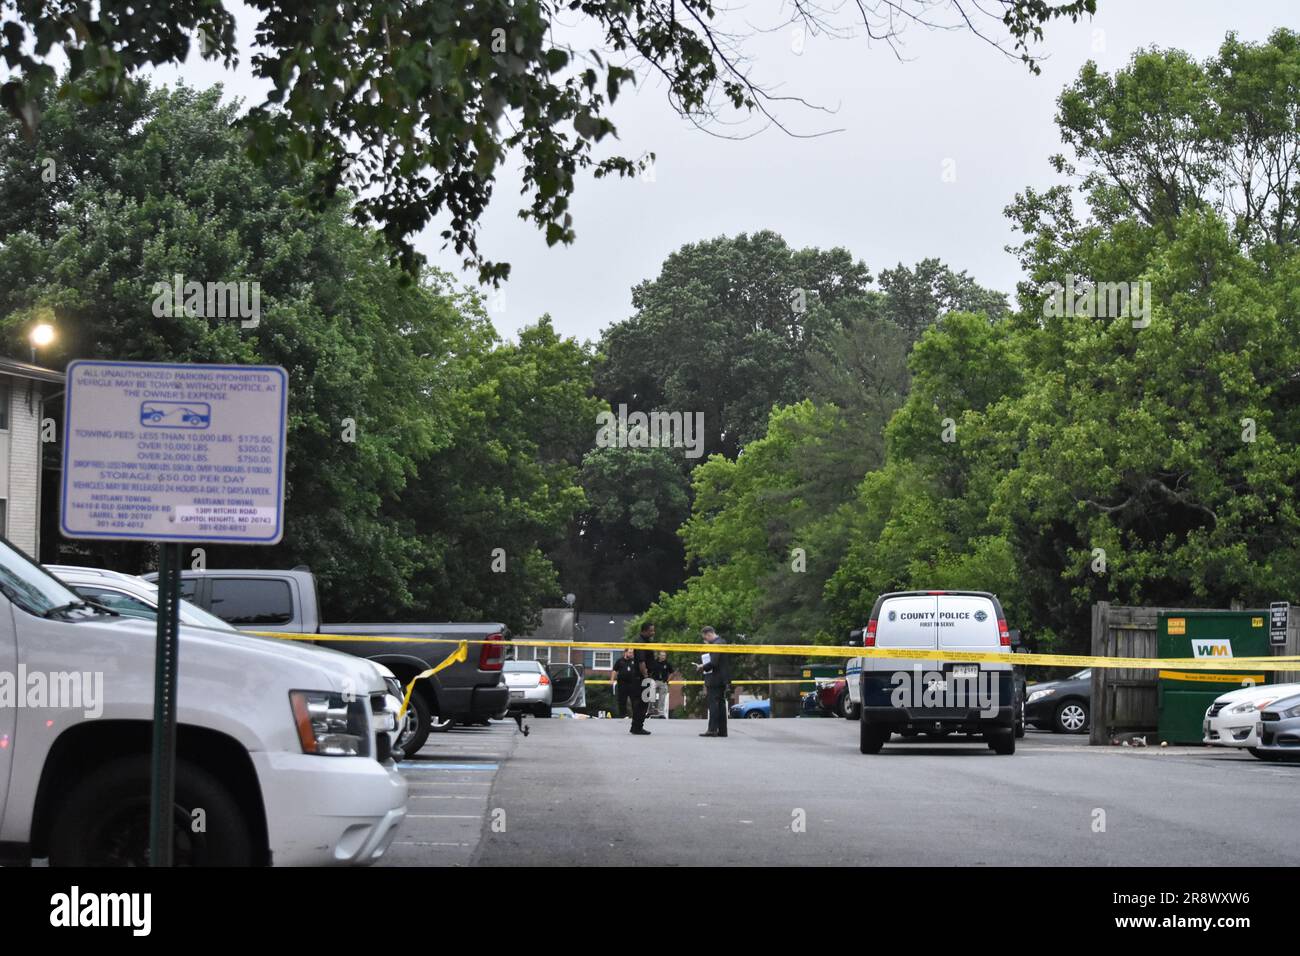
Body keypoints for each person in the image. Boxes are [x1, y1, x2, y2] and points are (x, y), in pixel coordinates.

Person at [696, 626, 730, 737]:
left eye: (705, 637)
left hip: (715, 678)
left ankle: (712, 729)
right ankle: (722, 730)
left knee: (714, 704)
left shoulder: (716, 644)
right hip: (722, 678)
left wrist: (702, 667)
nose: (705, 640)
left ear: (709, 634)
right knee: (720, 704)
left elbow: (714, 662)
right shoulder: (722, 642)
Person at [628, 622, 655, 735]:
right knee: (642, 703)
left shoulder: (646, 641)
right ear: (645, 630)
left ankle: (637, 726)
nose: (653, 632)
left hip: (643, 677)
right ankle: (637, 727)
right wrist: (645, 676)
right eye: (651, 630)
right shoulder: (640, 642)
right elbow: (641, 661)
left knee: (643, 702)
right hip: (641, 677)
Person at [612, 648, 639, 719]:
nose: (631, 654)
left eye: (632, 653)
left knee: (634, 700)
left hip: (632, 683)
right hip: (622, 683)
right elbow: (614, 670)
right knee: (622, 700)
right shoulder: (619, 661)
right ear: (625, 653)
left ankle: (635, 715)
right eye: (630, 652)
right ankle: (623, 715)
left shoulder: (634, 661)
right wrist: (612, 680)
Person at [650, 651, 672, 718]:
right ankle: (651, 709)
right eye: (662, 655)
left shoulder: (667, 664)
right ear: (659, 656)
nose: (663, 657)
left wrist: (668, 680)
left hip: (663, 681)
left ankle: (661, 712)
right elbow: (649, 670)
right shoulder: (654, 662)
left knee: (662, 698)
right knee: (651, 694)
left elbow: (672, 672)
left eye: (664, 655)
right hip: (655, 681)